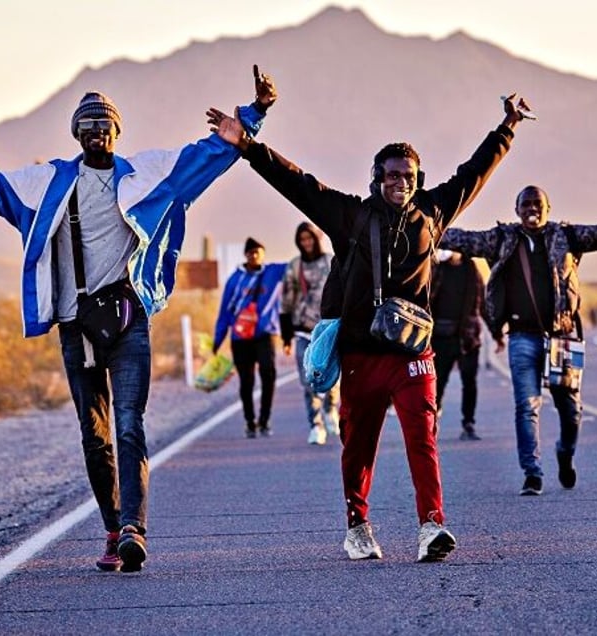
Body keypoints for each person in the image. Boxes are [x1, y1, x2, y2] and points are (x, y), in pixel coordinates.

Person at [0, 66, 278, 573]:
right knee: (94, 434)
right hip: (76, 328)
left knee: (130, 423)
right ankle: (114, 529)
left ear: (117, 131)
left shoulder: (146, 176)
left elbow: (207, 156)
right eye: (88, 124)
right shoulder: (48, 183)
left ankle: (136, 530)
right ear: (76, 133)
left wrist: (255, 114)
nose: (97, 132)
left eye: (105, 124)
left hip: (129, 320)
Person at [207, 93, 532, 562]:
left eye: (409, 175)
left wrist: (509, 125)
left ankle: (431, 526)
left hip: (414, 356)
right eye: (392, 174)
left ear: (418, 180)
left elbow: (474, 173)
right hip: (360, 356)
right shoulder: (350, 216)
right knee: (358, 446)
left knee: (423, 437)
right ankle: (357, 526)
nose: (401, 181)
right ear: (377, 178)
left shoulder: (433, 213)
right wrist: (248, 145)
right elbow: (297, 183)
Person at [441, 185, 597, 496]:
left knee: (570, 411)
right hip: (522, 338)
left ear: (548, 208)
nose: (532, 208)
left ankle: (565, 453)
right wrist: (417, 220)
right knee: (526, 406)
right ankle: (532, 474)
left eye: (538, 203)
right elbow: (457, 238)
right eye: (526, 204)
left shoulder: (566, 237)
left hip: (563, 339)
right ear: (517, 209)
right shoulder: (501, 239)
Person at [213, 237, 287, 438]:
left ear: (263, 253)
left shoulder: (273, 272)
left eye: (258, 252)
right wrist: (217, 340)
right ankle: (250, 421)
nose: (254, 255)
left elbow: (300, 263)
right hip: (240, 337)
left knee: (268, 374)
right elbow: (224, 311)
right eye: (251, 252)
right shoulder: (235, 280)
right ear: (245, 255)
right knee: (247, 381)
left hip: (265, 334)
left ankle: (264, 421)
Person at [280, 222, 340, 445]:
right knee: (309, 380)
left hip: (328, 330)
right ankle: (315, 425)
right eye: (302, 240)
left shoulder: (330, 261)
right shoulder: (295, 266)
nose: (306, 243)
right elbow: (286, 302)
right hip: (303, 331)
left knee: (332, 375)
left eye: (310, 239)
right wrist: (286, 337)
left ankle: (331, 407)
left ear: (316, 239)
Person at [429, 249, 485, 440]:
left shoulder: (471, 270)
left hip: (467, 337)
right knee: (438, 381)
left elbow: (482, 302)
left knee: (469, 382)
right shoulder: (438, 270)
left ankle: (468, 423)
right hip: (441, 336)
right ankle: (431, 421)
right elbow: (426, 298)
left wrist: (497, 331)